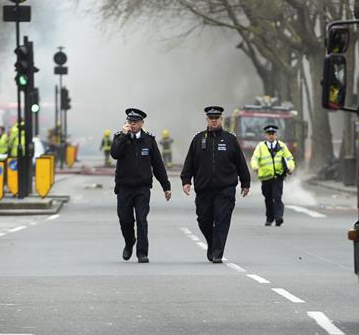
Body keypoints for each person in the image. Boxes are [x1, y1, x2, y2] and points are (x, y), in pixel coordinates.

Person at [181, 106, 251, 263]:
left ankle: (217, 253)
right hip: (204, 188)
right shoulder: (198, 139)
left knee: (222, 220)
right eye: (211, 118)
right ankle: (213, 244)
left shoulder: (230, 140)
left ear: (221, 120)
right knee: (203, 219)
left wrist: (245, 182)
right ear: (207, 120)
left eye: (217, 118)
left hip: (225, 189)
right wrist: (186, 181)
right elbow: (189, 162)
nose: (214, 120)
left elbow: (241, 163)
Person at [110, 108, 171, 263]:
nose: (132, 124)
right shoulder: (119, 138)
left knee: (142, 219)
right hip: (124, 187)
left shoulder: (149, 140)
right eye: (130, 121)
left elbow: (158, 165)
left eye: (135, 122)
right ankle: (129, 241)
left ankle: (142, 253)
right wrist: (123, 136)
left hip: (142, 188)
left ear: (142, 123)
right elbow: (114, 154)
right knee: (125, 219)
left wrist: (166, 186)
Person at [251, 125, 295, 227]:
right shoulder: (261, 146)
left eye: (273, 134)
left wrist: (291, 167)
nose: (271, 136)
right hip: (265, 177)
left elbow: (289, 158)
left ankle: (278, 217)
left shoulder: (282, 146)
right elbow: (255, 158)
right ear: (266, 135)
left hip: (278, 176)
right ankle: (269, 218)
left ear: (276, 135)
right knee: (268, 199)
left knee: (277, 197)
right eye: (269, 134)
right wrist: (255, 166)